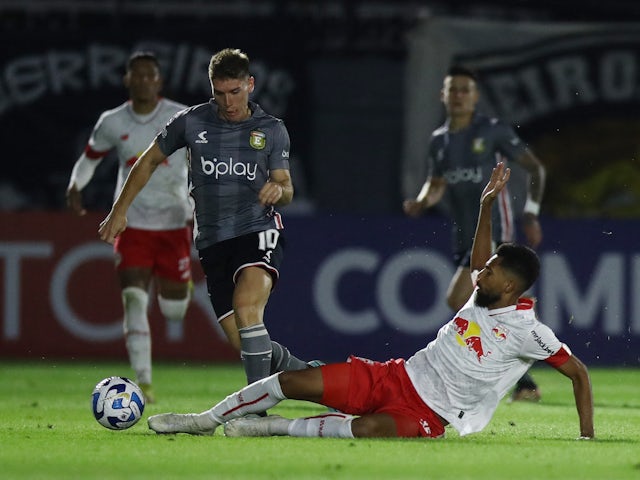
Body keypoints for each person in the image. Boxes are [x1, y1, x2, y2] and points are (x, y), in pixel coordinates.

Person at [146, 163, 594, 440]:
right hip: (392, 377)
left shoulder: (529, 332)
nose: (482, 272)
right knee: (294, 381)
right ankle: (204, 420)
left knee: (369, 430)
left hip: (429, 416)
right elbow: (478, 259)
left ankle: (273, 426)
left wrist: (587, 438)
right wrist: (485, 207)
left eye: (493, 271)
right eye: (488, 266)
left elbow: (578, 373)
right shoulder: (482, 295)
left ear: (511, 289)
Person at [98, 48, 313, 389]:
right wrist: (119, 210)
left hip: (259, 230)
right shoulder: (191, 122)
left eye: (235, 92)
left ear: (250, 85)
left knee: (246, 307)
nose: (228, 102)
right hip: (213, 241)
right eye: (220, 93)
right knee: (245, 343)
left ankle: (254, 411)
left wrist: (278, 190)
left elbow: (286, 187)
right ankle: (313, 375)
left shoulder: (271, 130)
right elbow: (148, 161)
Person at [403, 65, 546, 402]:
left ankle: (519, 380)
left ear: (475, 96)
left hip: (493, 230)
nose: (459, 96)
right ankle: (517, 377)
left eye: (466, 90)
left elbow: (535, 167)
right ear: (443, 95)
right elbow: (435, 185)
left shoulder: (491, 131)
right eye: (453, 90)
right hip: (464, 233)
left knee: (464, 300)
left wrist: (532, 212)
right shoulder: (439, 142)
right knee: (476, 305)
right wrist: (422, 202)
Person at [67, 51, 193, 403]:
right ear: (127, 80)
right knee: (133, 299)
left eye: (150, 75)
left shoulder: (181, 117)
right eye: (136, 76)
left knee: (174, 311)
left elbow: (202, 161)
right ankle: (144, 384)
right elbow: (90, 158)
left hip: (173, 223)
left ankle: (180, 287)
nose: (143, 81)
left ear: (159, 81)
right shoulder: (113, 121)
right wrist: (76, 184)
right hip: (132, 223)